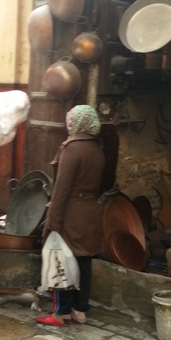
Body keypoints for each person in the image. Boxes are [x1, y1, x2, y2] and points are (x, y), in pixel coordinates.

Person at [37, 105, 105, 327]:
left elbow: (61, 190)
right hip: (90, 211)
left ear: (78, 124)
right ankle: (80, 310)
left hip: (71, 212)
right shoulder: (97, 150)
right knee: (83, 260)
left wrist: (52, 222)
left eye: (70, 121)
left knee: (62, 260)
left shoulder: (71, 148)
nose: (67, 125)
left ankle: (61, 312)